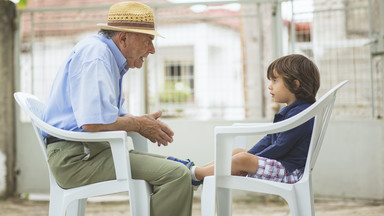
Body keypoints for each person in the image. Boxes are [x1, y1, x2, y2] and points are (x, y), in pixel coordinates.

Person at [41, 2, 193, 216]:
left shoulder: (109, 58)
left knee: (181, 168)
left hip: (92, 152)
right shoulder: (97, 55)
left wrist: (142, 123)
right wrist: (139, 124)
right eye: (148, 40)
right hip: (77, 159)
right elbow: (93, 122)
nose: (152, 49)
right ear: (123, 38)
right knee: (176, 175)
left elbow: (113, 117)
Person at [177, 54, 321, 186]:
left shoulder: (301, 114)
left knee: (243, 159)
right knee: (239, 152)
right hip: (281, 165)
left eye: (275, 80)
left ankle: (196, 174)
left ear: (295, 84)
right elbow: (270, 139)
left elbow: (280, 146)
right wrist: (249, 157)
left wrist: (247, 163)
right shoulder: (292, 111)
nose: (270, 86)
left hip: (291, 172)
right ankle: (200, 170)